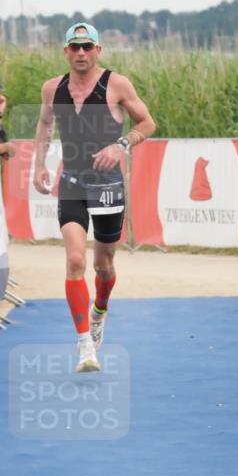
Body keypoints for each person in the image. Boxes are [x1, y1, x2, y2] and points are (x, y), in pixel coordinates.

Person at [32, 22, 156, 373]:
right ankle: (85, 344)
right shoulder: (51, 88)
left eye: (87, 47)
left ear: (98, 50)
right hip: (71, 181)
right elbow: (44, 126)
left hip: (107, 185)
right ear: (66, 51)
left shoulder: (116, 84)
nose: (81, 53)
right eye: (75, 47)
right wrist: (39, 165)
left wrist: (120, 146)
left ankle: (99, 310)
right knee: (75, 260)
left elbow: (147, 124)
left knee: (103, 266)